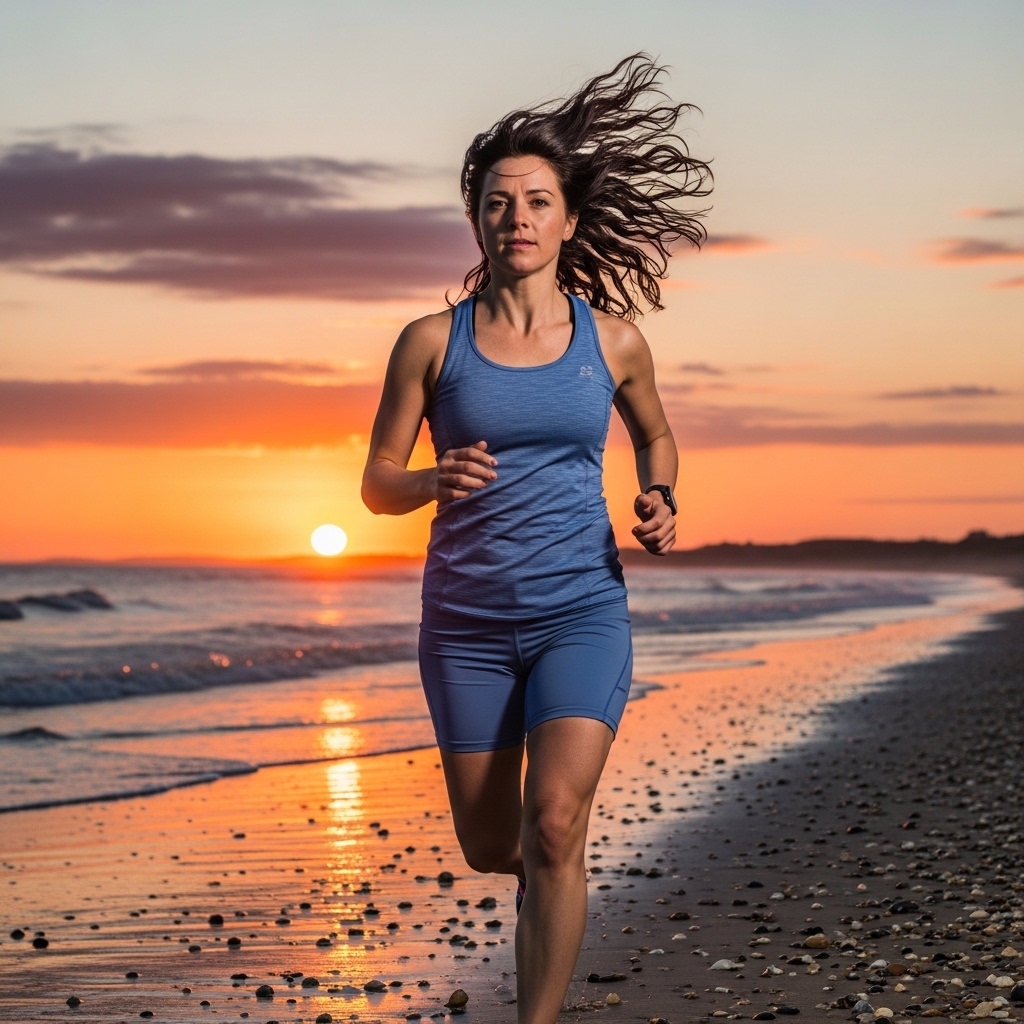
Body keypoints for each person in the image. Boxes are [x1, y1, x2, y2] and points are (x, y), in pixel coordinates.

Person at [361, 53, 712, 1024]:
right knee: (490, 842)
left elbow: (656, 434)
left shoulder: (614, 341)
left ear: (565, 218)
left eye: (535, 202)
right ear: (475, 218)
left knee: (554, 821)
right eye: (497, 202)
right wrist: (433, 478)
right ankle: (552, 881)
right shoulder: (431, 342)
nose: (516, 217)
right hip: (464, 626)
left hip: (579, 613)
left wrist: (659, 495)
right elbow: (375, 484)